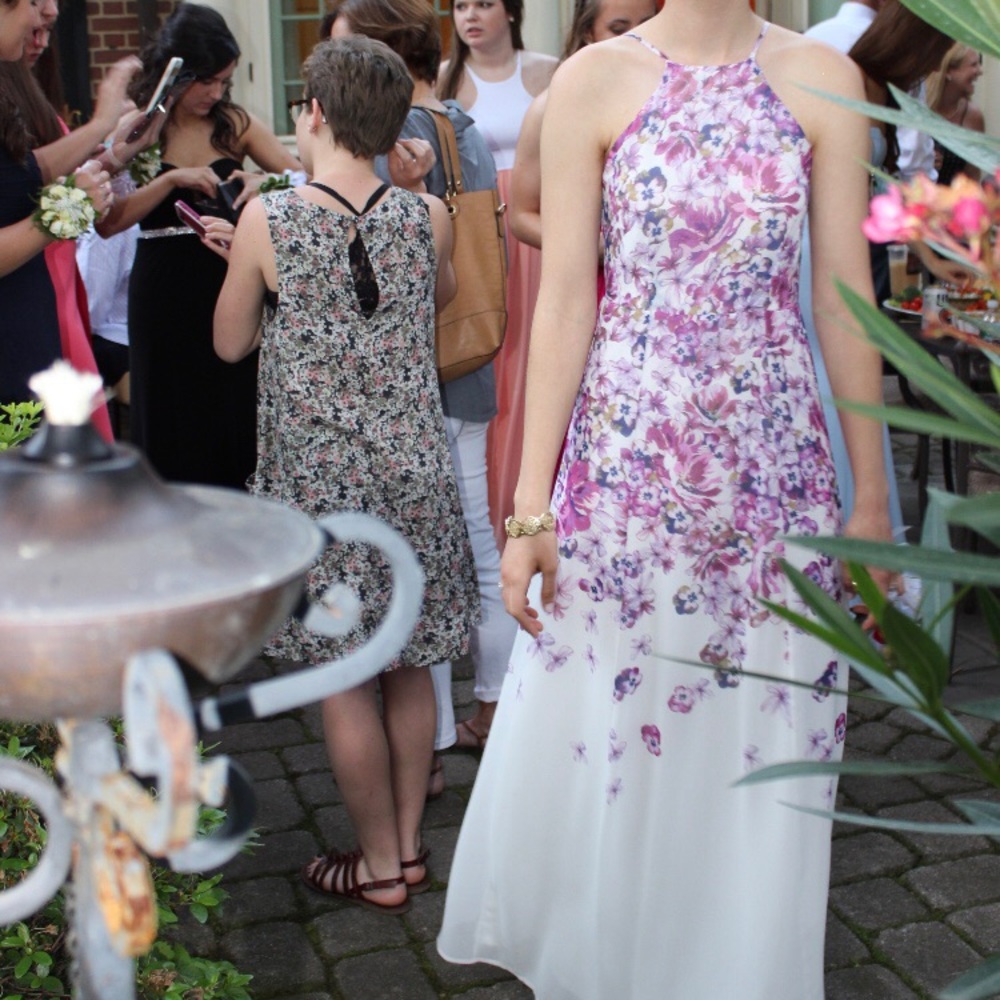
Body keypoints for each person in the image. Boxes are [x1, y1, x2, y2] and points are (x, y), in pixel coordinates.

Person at [438, 2, 894, 996]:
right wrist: (528, 510)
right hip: (625, 486)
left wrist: (869, 504)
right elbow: (564, 297)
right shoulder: (592, 80)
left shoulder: (825, 78)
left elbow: (842, 296)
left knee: (762, 744)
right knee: (620, 738)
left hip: (777, 482)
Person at [214, 36, 480, 914]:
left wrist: (243, 264)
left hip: (322, 489)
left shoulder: (270, 219)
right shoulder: (426, 216)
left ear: (316, 113)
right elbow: (435, 297)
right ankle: (404, 850)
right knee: (408, 664)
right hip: (413, 472)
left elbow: (230, 341)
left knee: (343, 673)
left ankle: (371, 864)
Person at [324, 0, 517, 766]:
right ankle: (495, 704)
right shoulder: (459, 124)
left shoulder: (385, 135)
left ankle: (432, 738)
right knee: (473, 538)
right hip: (469, 356)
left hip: (407, 373)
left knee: (419, 554)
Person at [98, 2, 300, 488]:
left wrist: (261, 184)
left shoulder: (235, 122)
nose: (215, 93)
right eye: (205, 81)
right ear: (176, 72)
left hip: (231, 281)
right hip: (164, 293)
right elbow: (108, 222)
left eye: (224, 82)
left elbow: (297, 178)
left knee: (233, 409)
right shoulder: (139, 126)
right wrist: (170, 183)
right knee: (172, 414)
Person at [439, 0, 557, 551]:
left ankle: (540, 498)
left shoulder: (548, 71)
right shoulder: (446, 78)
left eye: (483, 3)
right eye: (461, 5)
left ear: (510, 11)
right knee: (495, 354)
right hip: (479, 233)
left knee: (541, 351)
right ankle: (490, 512)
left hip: (537, 227)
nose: (470, 16)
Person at [0, 0, 115, 406]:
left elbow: (25, 173)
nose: (40, 17)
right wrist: (68, 210)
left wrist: (105, 125)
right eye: (31, 4)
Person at [509, 0, 658, 250]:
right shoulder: (551, 107)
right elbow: (522, 215)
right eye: (618, 29)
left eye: (648, 26)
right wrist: (596, 248)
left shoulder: (676, 97)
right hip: (594, 276)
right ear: (588, 32)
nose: (636, 39)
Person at [927, 42, 985, 186]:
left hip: (952, 203)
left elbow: (972, 178)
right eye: (973, 65)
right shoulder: (921, 109)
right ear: (949, 71)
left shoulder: (973, 117)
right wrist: (924, 160)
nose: (980, 71)